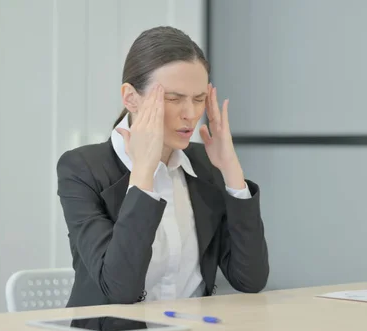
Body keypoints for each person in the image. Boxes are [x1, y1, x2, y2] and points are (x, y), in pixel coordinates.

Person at [56, 26, 269, 308]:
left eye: (198, 99)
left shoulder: (204, 165)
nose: (191, 114)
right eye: (173, 98)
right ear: (131, 98)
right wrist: (144, 174)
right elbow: (120, 289)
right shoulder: (82, 169)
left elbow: (250, 279)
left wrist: (231, 171)